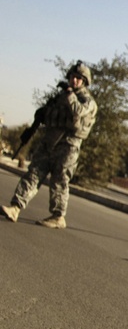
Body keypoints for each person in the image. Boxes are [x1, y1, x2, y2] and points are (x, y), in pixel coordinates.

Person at [1, 61, 97, 229]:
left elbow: (78, 111)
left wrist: (69, 94)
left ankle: (58, 216)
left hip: (68, 146)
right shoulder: (60, 97)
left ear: (85, 82)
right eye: (73, 77)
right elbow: (47, 114)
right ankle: (15, 207)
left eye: (78, 79)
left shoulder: (87, 101)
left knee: (60, 180)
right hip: (49, 142)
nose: (74, 81)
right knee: (33, 174)